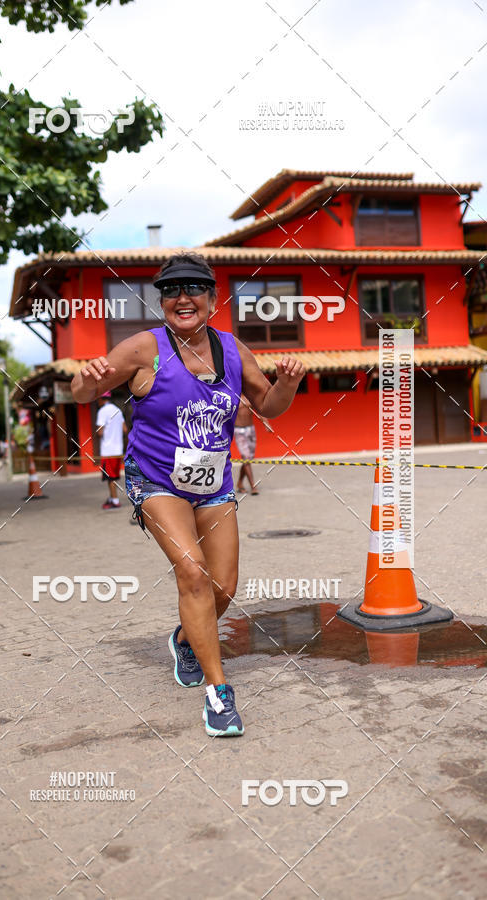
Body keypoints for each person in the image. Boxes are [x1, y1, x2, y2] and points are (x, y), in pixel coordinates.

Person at [71, 253, 305, 737]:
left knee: (223, 587)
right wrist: (87, 381)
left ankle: (184, 638)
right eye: (173, 290)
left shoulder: (232, 350)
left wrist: (288, 383)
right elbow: (79, 390)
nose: (184, 297)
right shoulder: (143, 348)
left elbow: (270, 407)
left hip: (214, 485)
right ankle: (219, 695)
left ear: (213, 299)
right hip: (155, 479)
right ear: (162, 302)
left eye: (195, 288)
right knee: (193, 574)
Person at [234, 395, 272, 495]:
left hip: (250, 430)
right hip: (238, 431)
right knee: (246, 457)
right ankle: (253, 486)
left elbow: (259, 410)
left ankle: (239, 483)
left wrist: (266, 423)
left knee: (248, 459)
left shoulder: (249, 396)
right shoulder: (233, 396)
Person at [95, 392, 127, 509]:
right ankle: (112, 498)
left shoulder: (102, 412)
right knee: (113, 476)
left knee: (110, 478)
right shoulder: (118, 410)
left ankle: (115, 500)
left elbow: (100, 432)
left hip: (108, 450)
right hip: (117, 449)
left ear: (101, 399)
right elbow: (125, 429)